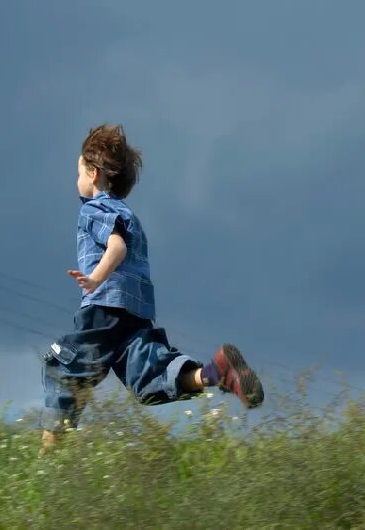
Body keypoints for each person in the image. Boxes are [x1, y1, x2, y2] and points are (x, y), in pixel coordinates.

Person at [38, 124, 264, 453]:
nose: (77, 183)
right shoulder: (131, 215)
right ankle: (215, 373)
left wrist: (95, 279)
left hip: (105, 307)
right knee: (149, 380)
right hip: (137, 311)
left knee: (61, 368)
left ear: (95, 173)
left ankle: (48, 463)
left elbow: (116, 248)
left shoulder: (94, 209)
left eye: (78, 174)